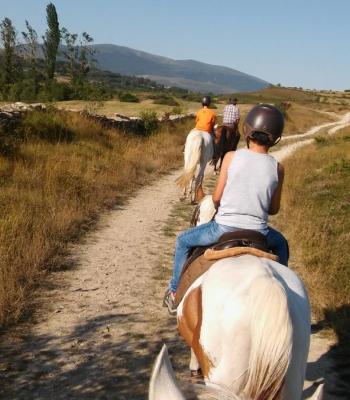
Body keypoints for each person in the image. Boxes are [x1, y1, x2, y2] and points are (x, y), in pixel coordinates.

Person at [163, 103, 289, 315]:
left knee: (183, 240)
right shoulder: (278, 168)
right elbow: (274, 209)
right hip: (260, 233)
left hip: (223, 229)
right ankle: (283, 292)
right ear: (276, 138)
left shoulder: (231, 157)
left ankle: (175, 292)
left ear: (248, 131)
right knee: (282, 245)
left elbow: (218, 198)